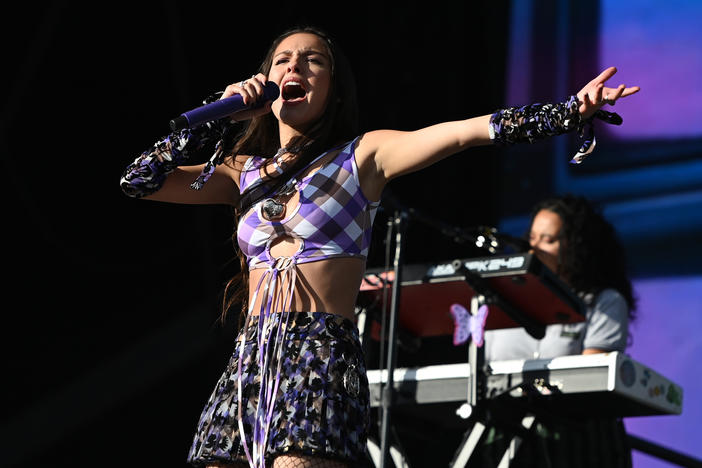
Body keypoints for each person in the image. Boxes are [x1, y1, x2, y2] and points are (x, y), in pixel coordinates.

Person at [120, 25, 639, 468]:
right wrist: (217, 115)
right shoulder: (241, 173)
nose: (294, 65)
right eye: (282, 59)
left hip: (317, 352)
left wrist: (566, 112)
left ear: (334, 89)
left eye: (312, 60)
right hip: (251, 355)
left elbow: (461, 135)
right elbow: (138, 181)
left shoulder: (362, 155)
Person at [477, 194, 638, 467]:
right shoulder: (502, 299)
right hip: (508, 430)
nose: (534, 248)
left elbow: (589, 381)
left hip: (576, 438)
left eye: (548, 240)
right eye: (532, 237)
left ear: (576, 247)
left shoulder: (601, 302)